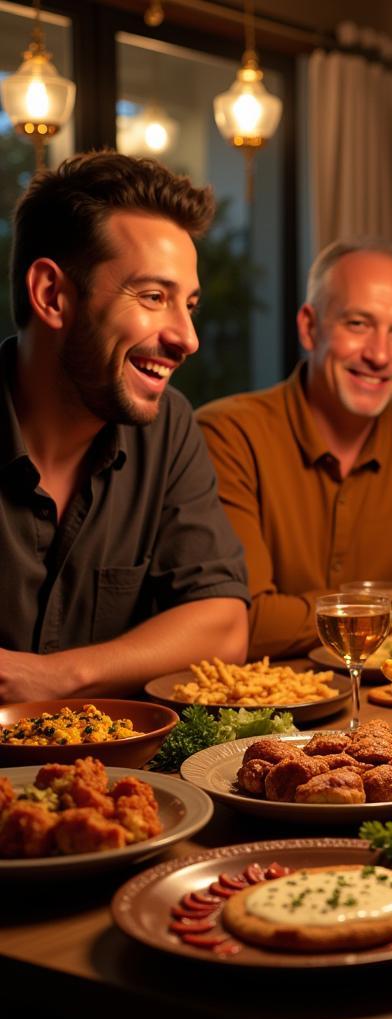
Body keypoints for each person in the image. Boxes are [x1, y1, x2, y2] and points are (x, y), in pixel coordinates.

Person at [0, 151, 249, 702]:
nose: (187, 338)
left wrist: (56, 676)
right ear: (51, 295)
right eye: (154, 297)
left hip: (118, 776)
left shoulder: (167, 426)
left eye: (190, 305)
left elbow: (223, 622)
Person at [197, 241, 392, 660]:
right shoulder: (228, 434)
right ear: (308, 326)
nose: (379, 355)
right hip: (264, 709)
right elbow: (248, 621)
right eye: (358, 324)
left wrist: (315, 614)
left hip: (388, 705)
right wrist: (390, 605)